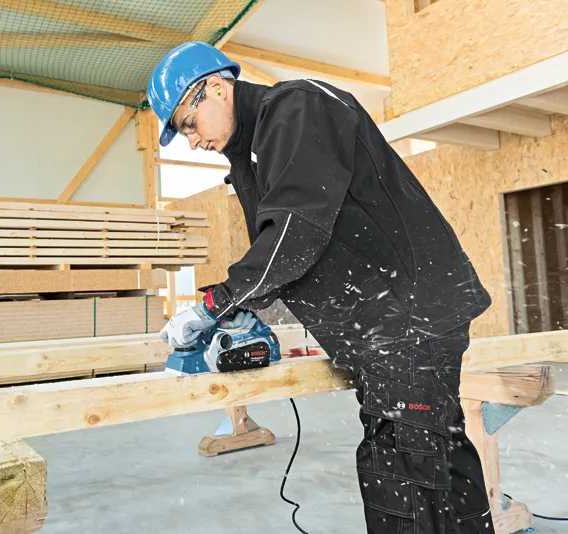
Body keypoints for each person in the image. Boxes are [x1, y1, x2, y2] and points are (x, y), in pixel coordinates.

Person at [149, 42, 496, 534]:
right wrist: (244, 308)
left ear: (217, 88)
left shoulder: (296, 108)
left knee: (401, 474)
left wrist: (216, 304)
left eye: (188, 123)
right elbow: (293, 247)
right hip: (392, 323)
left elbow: (295, 232)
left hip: (407, 319)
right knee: (437, 458)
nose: (192, 141)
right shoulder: (255, 150)